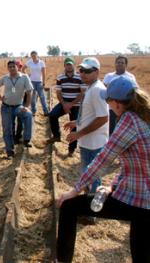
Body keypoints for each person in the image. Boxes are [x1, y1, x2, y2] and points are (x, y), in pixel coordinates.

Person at [56, 76, 150, 263]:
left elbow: (104, 158)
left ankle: (61, 260)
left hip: (136, 200)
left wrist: (75, 190)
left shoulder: (129, 119)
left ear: (115, 103)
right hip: (144, 201)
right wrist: (112, 188)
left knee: (69, 207)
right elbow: (133, 165)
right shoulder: (144, 117)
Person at [65, 57, 109, 195]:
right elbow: (92, 114)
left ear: (96, 72)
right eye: (81, 70)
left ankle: (92, 212)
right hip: (87, 143)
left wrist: (78, 133)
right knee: (87, 176)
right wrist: (76, 123)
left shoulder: (97, 90)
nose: (83, 73)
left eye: (87, 71)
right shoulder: (91, 87)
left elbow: (103, 118)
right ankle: (88, 202)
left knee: (93, 178)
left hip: (94, 144)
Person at [0, 60, 33, 159]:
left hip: (18, 107)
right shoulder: (5, 78)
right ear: (8, 68)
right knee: (7, 129)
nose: (11, 68)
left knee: (28, 115)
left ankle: (27, 139)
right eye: (9, 67)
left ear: (17, 67)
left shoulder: (24, 77)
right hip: (6, 107)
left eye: (13, 66)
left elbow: (29, 92)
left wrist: (26, 106)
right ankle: (10, 151)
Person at [46, 57, 86, 157]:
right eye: (67, 64)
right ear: (64, 66)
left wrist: (71, 104)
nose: (69, 66)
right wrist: (64, 104)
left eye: (70, 64)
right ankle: (56, 136)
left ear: (73, 65)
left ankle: (71, 150)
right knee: (52, 115)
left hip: (76, 105)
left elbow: (82, 93)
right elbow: (58, 92)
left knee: (74, 127)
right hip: (64, 103)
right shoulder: (60, 77)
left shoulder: (80, 77)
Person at [103, 55, 137, 135]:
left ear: (126, 65)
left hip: (126, 108)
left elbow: (135, 91)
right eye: (118, 62)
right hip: (111, 109)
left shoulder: (130, 77)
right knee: (111, 131)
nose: (120, 64)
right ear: (115, 64)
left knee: (125, 131)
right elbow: (104, 90)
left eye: (122, 62)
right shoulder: (109, 76)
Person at [23, 51, 49, 116]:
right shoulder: (29, 62)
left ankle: (46, 111)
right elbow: (23, 69)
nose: (33, 57)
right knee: (33, 98)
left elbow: (43, 73)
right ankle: (33, 111)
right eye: (32, 56)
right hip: (32, 82)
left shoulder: (41, 63)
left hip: (39, 82)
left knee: (42, 97)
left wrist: (43, 82)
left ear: (37, 55)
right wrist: (27, 75)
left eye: (34, 55)